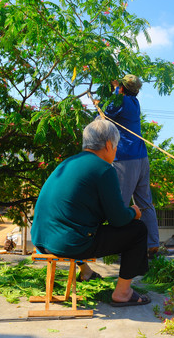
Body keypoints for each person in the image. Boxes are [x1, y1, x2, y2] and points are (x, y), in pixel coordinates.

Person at [31, 119, 151, 306]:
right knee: (138, 230)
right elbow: (118, 219)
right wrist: (133, 212)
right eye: (116, 146)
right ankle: (123, 293)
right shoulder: (103, 169)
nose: (116, 151)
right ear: (108, 145)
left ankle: (85, 271)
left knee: (80, 225)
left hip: (42, 240)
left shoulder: (69, 162)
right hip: (67, 244)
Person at [103, 74, 160, 258]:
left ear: (123, 88)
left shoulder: (122, 102)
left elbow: (105, 113)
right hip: (142, 158)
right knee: (145, 203)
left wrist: (113, 91)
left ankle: (116, 247)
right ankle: (152, 244)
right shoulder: (135, 103)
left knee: (120, 202)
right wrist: (117, 90)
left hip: (125, 159)